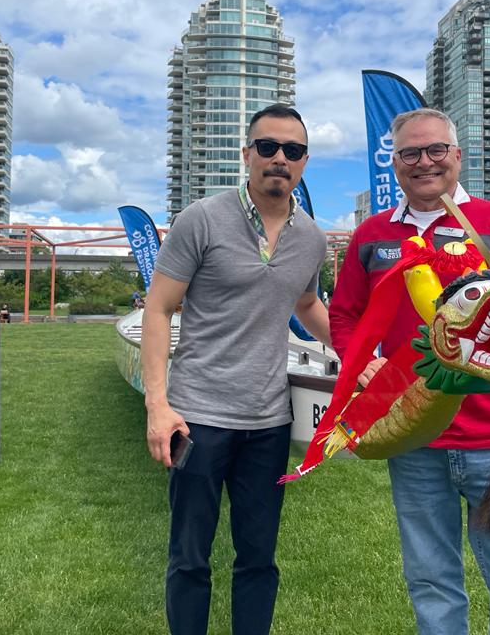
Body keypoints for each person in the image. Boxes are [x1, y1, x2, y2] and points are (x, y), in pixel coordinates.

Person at [329, 108, 490, 635]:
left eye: (436, 150)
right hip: (413, 440)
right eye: (410, 153)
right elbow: (343, 315)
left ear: (457, 156)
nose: (424, 162)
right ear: (395, 163)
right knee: (431, 585)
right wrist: (362, 361)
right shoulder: (371, 235)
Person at [141, 103, 331, 635]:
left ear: (304, 162)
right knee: (189, 558)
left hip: (267, 424)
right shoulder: (201, 219)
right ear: (246, 154)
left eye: (291, 151)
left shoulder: (312, 238)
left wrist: (361, 353)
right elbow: (158, 309)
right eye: (267, 147)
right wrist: (158, 405)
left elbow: (308, 303)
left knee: (258, 560)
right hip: (197, 418)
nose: (279, 159)